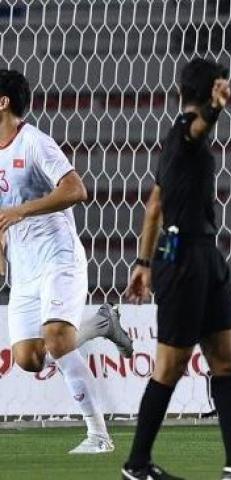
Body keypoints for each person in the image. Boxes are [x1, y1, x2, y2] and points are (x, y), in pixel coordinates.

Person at [121, 58, 231, 480]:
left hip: (205, 254)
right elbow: (200, 127)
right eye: (220, 84)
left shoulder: (177, 146)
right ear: (210, 87)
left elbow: (155, 203)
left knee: (226, 357)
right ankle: (137, 464)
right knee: (170, 366)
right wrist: (217, 109)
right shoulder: (185, 133)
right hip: (183, 260)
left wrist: (141, 261)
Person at [0, 69, 133, 453]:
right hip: (24, 267)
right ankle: (102, 322)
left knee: (57, 341)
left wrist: (24, 211)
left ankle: (98, 435)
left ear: (3, 102)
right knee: (29, 358)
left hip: (59, 256)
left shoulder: (35, 142)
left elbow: (76, 189)